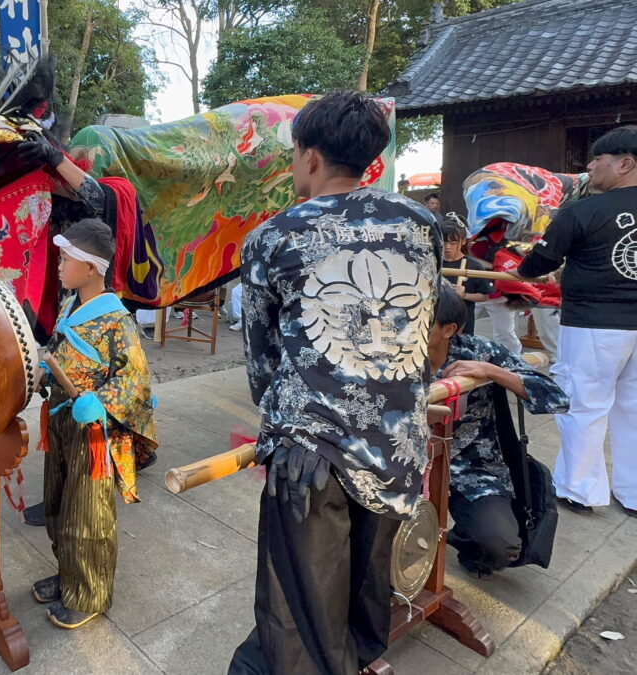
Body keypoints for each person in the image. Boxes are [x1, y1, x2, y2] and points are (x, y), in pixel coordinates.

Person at [230, 90, 442, 675]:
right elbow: (420, 324)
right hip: (398, 441)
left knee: (301, 600)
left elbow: (262, 359)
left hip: (312, 452)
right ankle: (363, 656)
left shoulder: (273, 237)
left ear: (310, 156)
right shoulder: (422, 223)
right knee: (367, 579)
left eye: (294, 154)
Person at [33, 218, 158, 630]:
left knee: (86, 515)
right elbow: (58, 350)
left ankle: (89, 595)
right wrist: (42, 373)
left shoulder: (118, 320)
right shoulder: (71, 305)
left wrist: (99, 404)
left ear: (90, 268)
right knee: (57, 503)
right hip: (61, 422)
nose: (58, 265)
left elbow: (136, 379)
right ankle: (69, 574)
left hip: (94, 432)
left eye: (65, 258)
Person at [517, 125, 637, 517]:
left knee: (584, 404)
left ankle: (580, 491)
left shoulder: (584, 211)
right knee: (634, 409)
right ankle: (633, 493)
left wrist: (527, 269)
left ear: (625, 164)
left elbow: (539, 262)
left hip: (595, 323)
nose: (590, 167)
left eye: (598, 160)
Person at [427, 283, 568, 575]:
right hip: (409, 463)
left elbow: (556, 397)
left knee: (498, 544)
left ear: (449, 329)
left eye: (420, 320)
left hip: (472, 467)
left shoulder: (478, 351)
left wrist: (492, 372)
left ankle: (465, 543)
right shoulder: (388, 356)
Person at [441, 215, 493, 335]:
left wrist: (464, 295)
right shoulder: (434, 263)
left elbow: (484, 296)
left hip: (463, 324)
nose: (447, 247)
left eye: (453, 242)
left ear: (463, 241)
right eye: (444, 242)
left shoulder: (474, 266)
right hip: (436, 321)